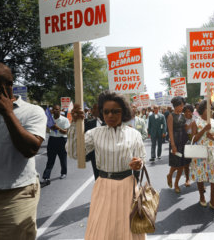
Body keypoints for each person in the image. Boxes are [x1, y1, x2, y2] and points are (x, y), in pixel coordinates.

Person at [66, 91, 146, 240]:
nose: (110, 115)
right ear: (102, 113)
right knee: (102, 230)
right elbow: (74, 153)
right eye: (106, 111)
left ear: (124, 113)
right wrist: (74, 125)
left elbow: (141, 158)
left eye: (116, 111)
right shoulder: (94, 133)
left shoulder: (134, 134)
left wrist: (138, 163)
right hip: (103, 186)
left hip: (128, 186)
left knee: (127, 229)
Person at [0, 62, 47, 240]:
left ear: (6, 86)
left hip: (15, 197)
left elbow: (30, 149)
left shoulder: (33, 112)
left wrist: (8, 114)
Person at [190, 100, 214, 213]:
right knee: (200, 176)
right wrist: (204, 130)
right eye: (208, 108)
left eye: (210, 108)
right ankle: (202, 196)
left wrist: (212, 137)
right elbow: (194, 139)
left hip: (212, 151)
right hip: (200, 151)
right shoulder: (196, 122)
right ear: (202, 110)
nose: (210, 109)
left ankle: (213, 202)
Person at [41, 104, 70, 184]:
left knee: (62, 158)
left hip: (62, 140)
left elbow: (66, 132)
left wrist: (57, 128)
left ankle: (63, 173)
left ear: (60, 110)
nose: (56, 111)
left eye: (57, 109)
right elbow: (47, 131)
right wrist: (49, 128)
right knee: (50, 160)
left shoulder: (65, 120)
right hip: (52, 140)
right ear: (52, 111)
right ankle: (46, 177)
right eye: (54, 109)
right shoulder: (50, 120)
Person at [167, 96, 189, 193]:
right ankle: (170, 174)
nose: (182, 107)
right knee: (175, 164)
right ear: (176, 106)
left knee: (182, 165)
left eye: (182, 105)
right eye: (180, 105)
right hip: (175, 142)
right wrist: (173, 145)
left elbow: (186, 128)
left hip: (183, 142)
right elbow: (170, 131)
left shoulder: (183, 116)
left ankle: (176, 184)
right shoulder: (171, 116)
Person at [84, 103, 102, 180]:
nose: (92, 111)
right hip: (94, 155)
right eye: (92, 109)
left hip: (110, 155)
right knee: (98, 178)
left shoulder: (110, 122)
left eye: (95, 109)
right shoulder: (89, 123)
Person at [183, 103, 196, 187]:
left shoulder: (196, 118)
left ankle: (199, 180)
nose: (188, 113)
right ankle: (187, 178)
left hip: (195, 140)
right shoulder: (182, 119)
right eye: (186, 111)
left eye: (190, 111)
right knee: (187, 162)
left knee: (196, 162)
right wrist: (192, 124)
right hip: (185, 141)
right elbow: (186, 129)